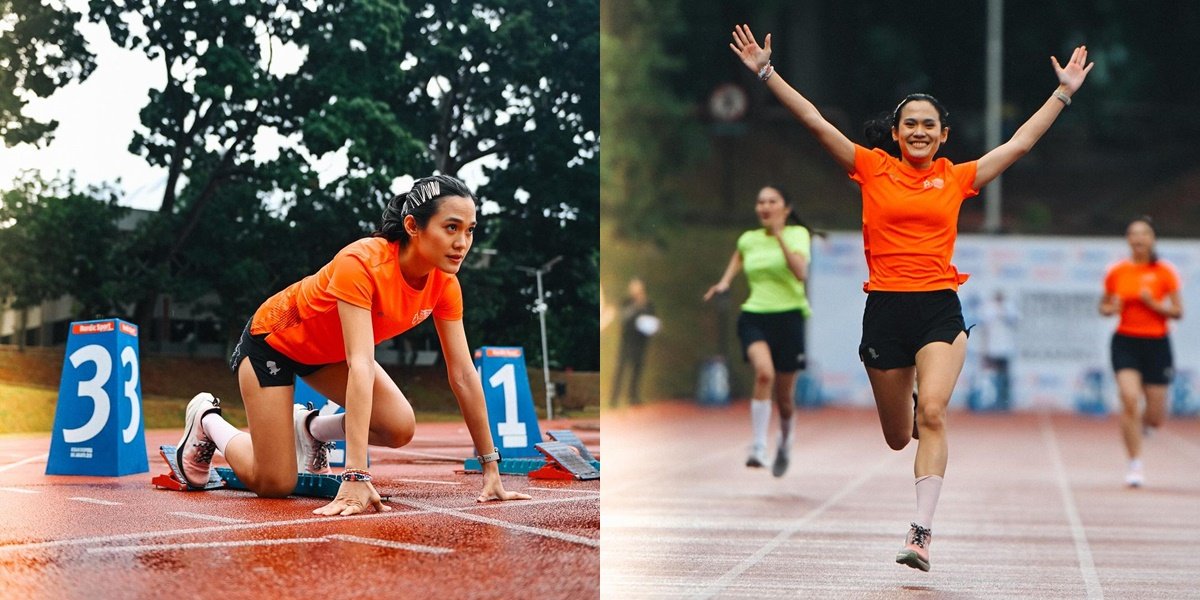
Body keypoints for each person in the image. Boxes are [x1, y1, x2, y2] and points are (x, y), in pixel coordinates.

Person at [729, 24, 1092, 571]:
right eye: (910, 125)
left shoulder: (957, 176)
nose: (919, 132)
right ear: (896, 134)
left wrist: (1062, 93)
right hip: (886, 312)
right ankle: (919, 407)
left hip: (939, 308)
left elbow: (1020, 143)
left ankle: (921, 532)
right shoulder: (871, 168)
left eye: (929, 125)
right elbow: (813, 120)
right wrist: (765, 72)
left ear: (943, 135)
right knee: (900, 436)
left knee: (936, 414)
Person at [175, 174, 531, 516]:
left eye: (469, 230)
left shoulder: (445, 284)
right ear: (412, 226)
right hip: (274, 344)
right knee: (275, 483)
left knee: (399, 427)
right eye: (451, 227)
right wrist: (356, 475)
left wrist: (491, 469)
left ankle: (309, 429)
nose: (462, 242)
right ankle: (207, 420)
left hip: (329, 354)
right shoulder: (362, 262)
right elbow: (361, 365)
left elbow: (464, 374)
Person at [703, 185, 815, 479]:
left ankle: (785, 443)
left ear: (785, 208)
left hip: (790, 318)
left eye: (772, 201)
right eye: (760, 201)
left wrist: (779, 236)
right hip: (754, 316)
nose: (765, 206)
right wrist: (726, 281)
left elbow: (800, 272)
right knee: (764, 373)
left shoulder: (797, 235)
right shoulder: (748, 239)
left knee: (785, 398)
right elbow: (739, 256)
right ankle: (758, 446)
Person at [1099, 216, 1182, 488]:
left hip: (1157, 344)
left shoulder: (1164, 272)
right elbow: (1104, 307)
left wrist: (1154, 304)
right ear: (1128, 240)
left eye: (1144, 234)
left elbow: (1178, 312)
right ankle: (1134, 464)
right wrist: (1113, 308)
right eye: (1133, 234)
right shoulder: (1117, 271)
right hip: (1126, 341)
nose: (1138, 239)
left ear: (1152, 239)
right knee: (1130, 398)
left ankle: (1145, 424)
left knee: (1156, 418)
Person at [610, 277, 658, 406]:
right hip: (626, 341)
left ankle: (633, 396)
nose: (633, 289)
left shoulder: (648, 304)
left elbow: (653, 321)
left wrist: (652, 325)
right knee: (621, 369)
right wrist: (635, 308)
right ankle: (614, 398)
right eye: (632, 286)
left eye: (636, 286)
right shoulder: (626, 303)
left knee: (637, 369)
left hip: (641, 341)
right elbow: (623, 318)